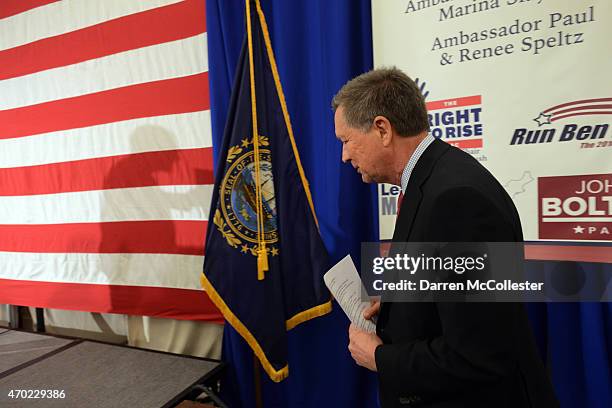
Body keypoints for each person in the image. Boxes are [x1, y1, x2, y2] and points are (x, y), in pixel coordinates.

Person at [332, 68, 558, 407]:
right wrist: (398, 301)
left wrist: (381, 359)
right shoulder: (434, 179)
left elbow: (480, 355)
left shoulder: (458, 199)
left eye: (347, 140)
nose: (344, 156)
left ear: (382, 129)